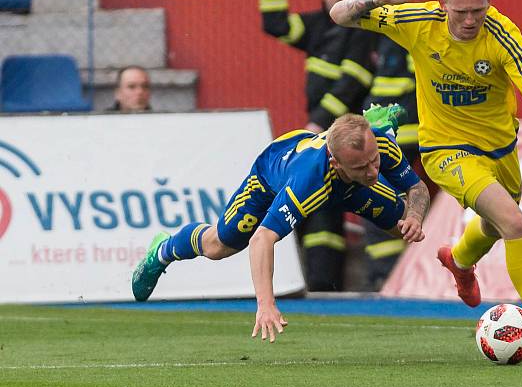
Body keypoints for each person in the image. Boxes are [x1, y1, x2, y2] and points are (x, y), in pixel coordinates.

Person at [329, 0, 522, 358]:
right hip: (445, 150)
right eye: (460, 10)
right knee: (515, 222)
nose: (470, 20)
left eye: (478, 9)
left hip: (500, 151)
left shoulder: (502, 35)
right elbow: (339, 14)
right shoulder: (416, 19)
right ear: (442, 3)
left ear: (489, 0)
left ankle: (460, 260)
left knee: (496, 224)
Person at [131, 108, 429, 342]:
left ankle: (376, 122)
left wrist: (414, 217)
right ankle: (163, 250)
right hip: (272, 177)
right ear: (337, 163)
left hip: (348, 184)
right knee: (218, 246)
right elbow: (262, 239)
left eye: (374, 161)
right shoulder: (307, 182)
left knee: (402, 226)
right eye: (362, 166)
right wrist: (266, 303)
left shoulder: (378, 147)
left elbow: (418, 190)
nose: (373, 171)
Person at [259, 0, 377, 291]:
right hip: (322, 132)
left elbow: (351, 82)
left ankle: (340, 286)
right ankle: (323, 287)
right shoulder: (317, 25)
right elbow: (275, 24)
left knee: (343, 203)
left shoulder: (363, 26)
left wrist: (317, 122)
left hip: (349, 133)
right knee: (317, 208)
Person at [360, 0, 422, 290]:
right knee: (392, 201)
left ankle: (388, 276)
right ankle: (389, 276)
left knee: (382, 197)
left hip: (400, 133)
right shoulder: (380, 35)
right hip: (386, 133)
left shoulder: (409, 30)